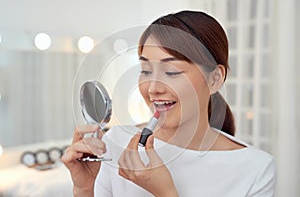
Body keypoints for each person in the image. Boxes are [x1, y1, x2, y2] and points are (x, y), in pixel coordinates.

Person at [62, 10, 276, 197]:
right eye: (145, 71)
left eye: (171, 72)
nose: (153, 88)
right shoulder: (115, 143)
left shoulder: (255, 169)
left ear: (214, 79)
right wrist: (85, 190)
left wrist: (166, 193)